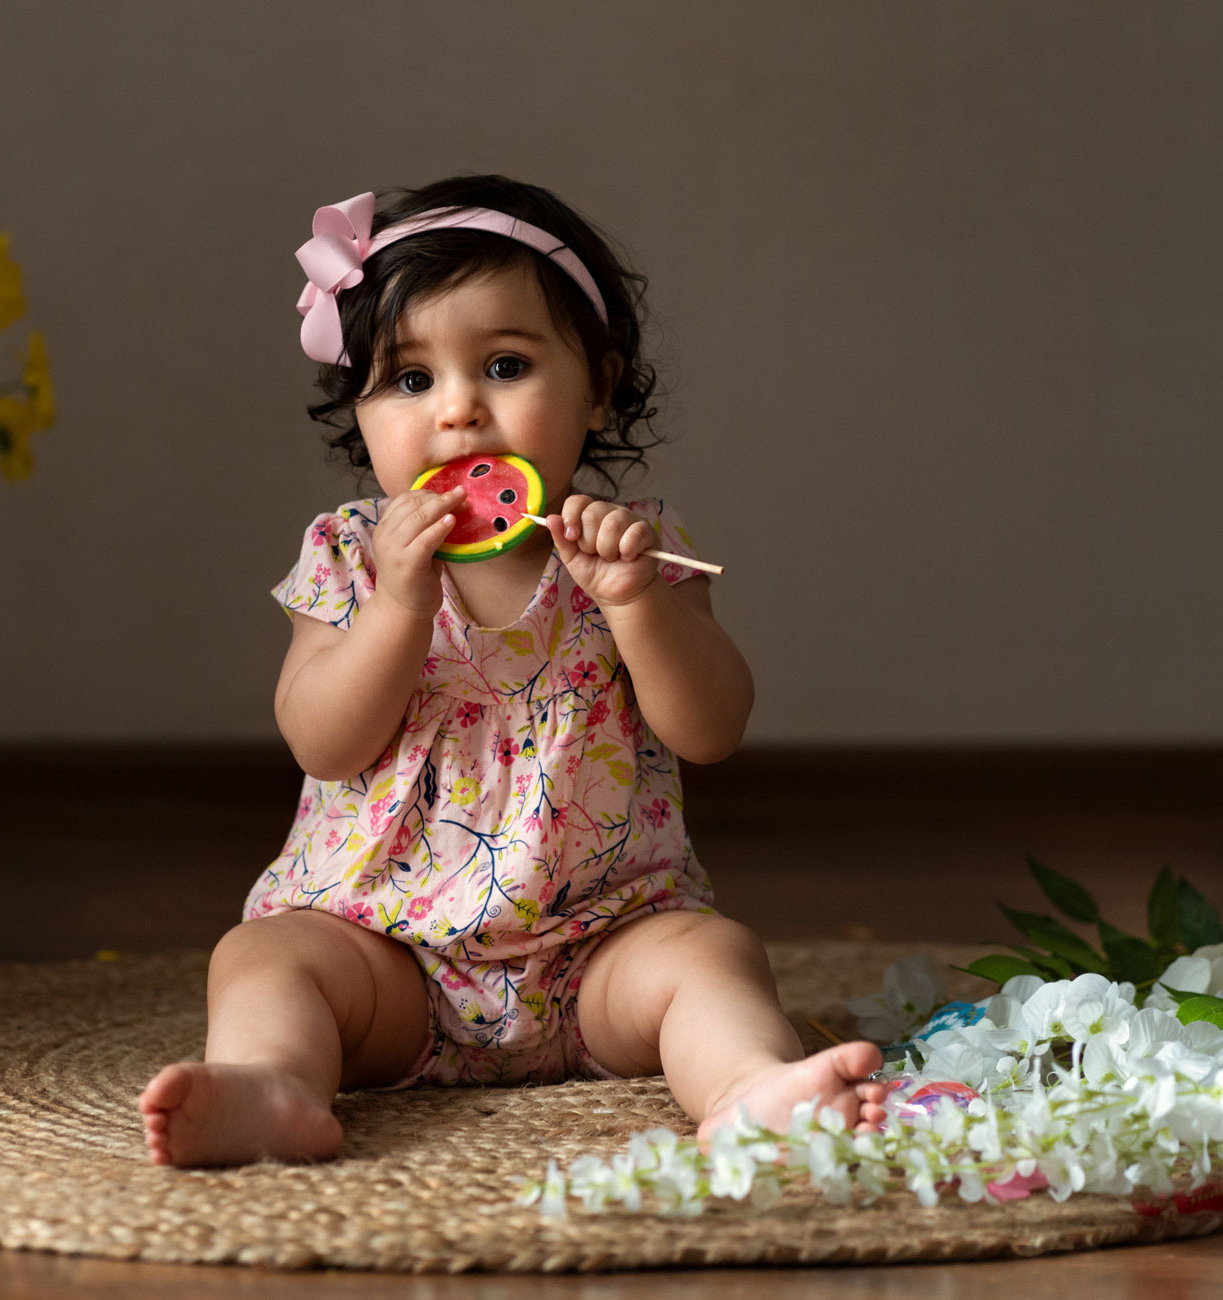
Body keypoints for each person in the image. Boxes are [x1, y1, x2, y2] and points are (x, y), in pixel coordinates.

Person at [140, 175, 888, 1167]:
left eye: (503, 365)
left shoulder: (639, 552)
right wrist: (398, 608)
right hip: (390, 957)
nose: (458, 413)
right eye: (410, 380)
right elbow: (323, 737)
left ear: (600, 385)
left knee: (712, 954)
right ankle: (276, 1083)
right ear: (355, 407)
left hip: (598, 954)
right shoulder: (350, 556)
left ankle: (747, 1086)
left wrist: (633, 602)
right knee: (264, 957)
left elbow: (710, 728)